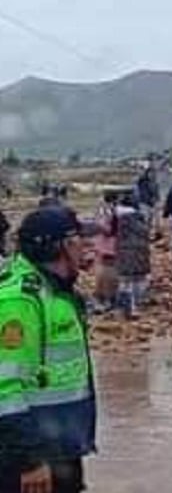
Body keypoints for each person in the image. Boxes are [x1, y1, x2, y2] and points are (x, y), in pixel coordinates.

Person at [0, 206, 99, 493]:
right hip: (29, 457)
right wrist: (29, 460)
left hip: (59, 448)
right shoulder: (21, 301)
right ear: (61, 246)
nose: (86, 246)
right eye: (79, 239)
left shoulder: (57, 292)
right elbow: (4, 387)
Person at [114, 193, 150, 319]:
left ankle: (126, 306)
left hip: (123, 251)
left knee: (125, 280)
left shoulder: (117, 217)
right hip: (140, 251)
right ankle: (134, 304)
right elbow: (146, 233)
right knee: (139, 279)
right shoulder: (140, 218)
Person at [90, 192, 120, 313]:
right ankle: (109, 298)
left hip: (104, 245)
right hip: (112, 245)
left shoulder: (103, 210)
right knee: (110, 271)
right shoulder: (114, 211)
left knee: (103, 271)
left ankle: (103, 296)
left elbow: (102, 227)